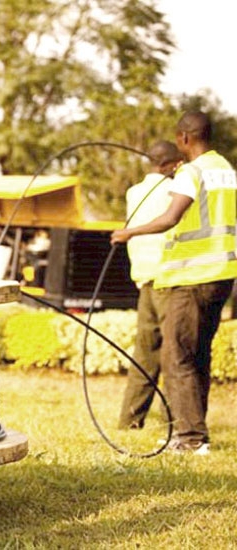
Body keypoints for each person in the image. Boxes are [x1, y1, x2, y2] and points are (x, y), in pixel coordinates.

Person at [111, 111, 237, 455]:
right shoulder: (226, 170)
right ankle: (195, 432)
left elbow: (170, 217)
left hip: (191, 278)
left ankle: (191, 437)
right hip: (221, 276)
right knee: (198, 356)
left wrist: (128, 232)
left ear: (184, 138)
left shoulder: (191, 173)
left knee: (175, 356)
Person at [117, 140, 184, 430]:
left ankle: (130, 419)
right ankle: (177, 422)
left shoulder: (134, 192)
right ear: (169, 164)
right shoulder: (175, 190)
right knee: (175, 353)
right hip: (169, 278)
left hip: (143, 278)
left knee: (144, 354)